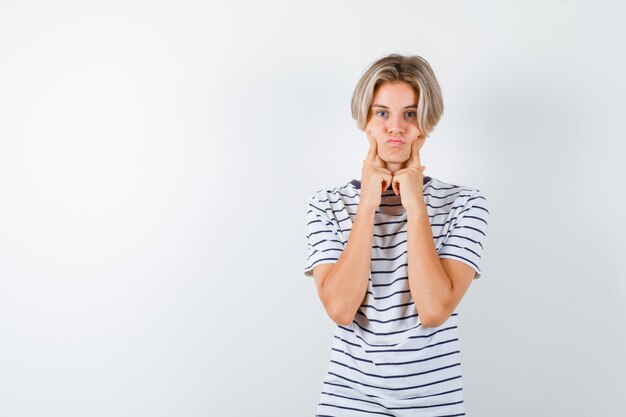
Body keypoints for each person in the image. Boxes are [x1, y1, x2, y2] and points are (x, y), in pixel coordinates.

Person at [303, 53, 490, 416]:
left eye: (409, 113)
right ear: (365, 122)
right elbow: (341, 309)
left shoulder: (465, 204)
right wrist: (367, 204)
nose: (396, 127)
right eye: (382, 113)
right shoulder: (327, 204)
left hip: (434, 407)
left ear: (426, 122)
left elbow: (434, 310)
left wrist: (416, 206)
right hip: (348, 405)